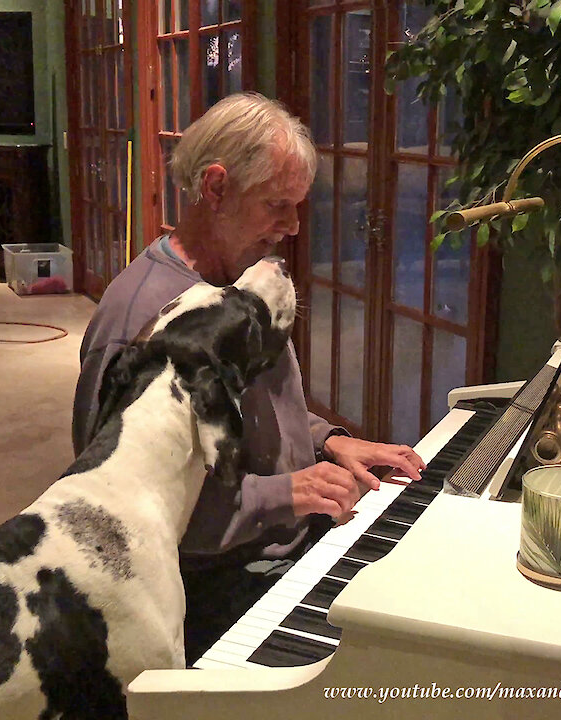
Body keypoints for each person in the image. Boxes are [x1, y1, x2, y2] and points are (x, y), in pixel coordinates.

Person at [72, 92, 426, 664]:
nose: (290, 228)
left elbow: (265, 410)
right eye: (277, 205)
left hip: (283, 542)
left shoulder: (243, 282)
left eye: (298, 208)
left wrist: (327, 440)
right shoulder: (139, 320)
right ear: (216, 189)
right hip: (211, 585)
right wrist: (284, 493)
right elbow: (114, 512)